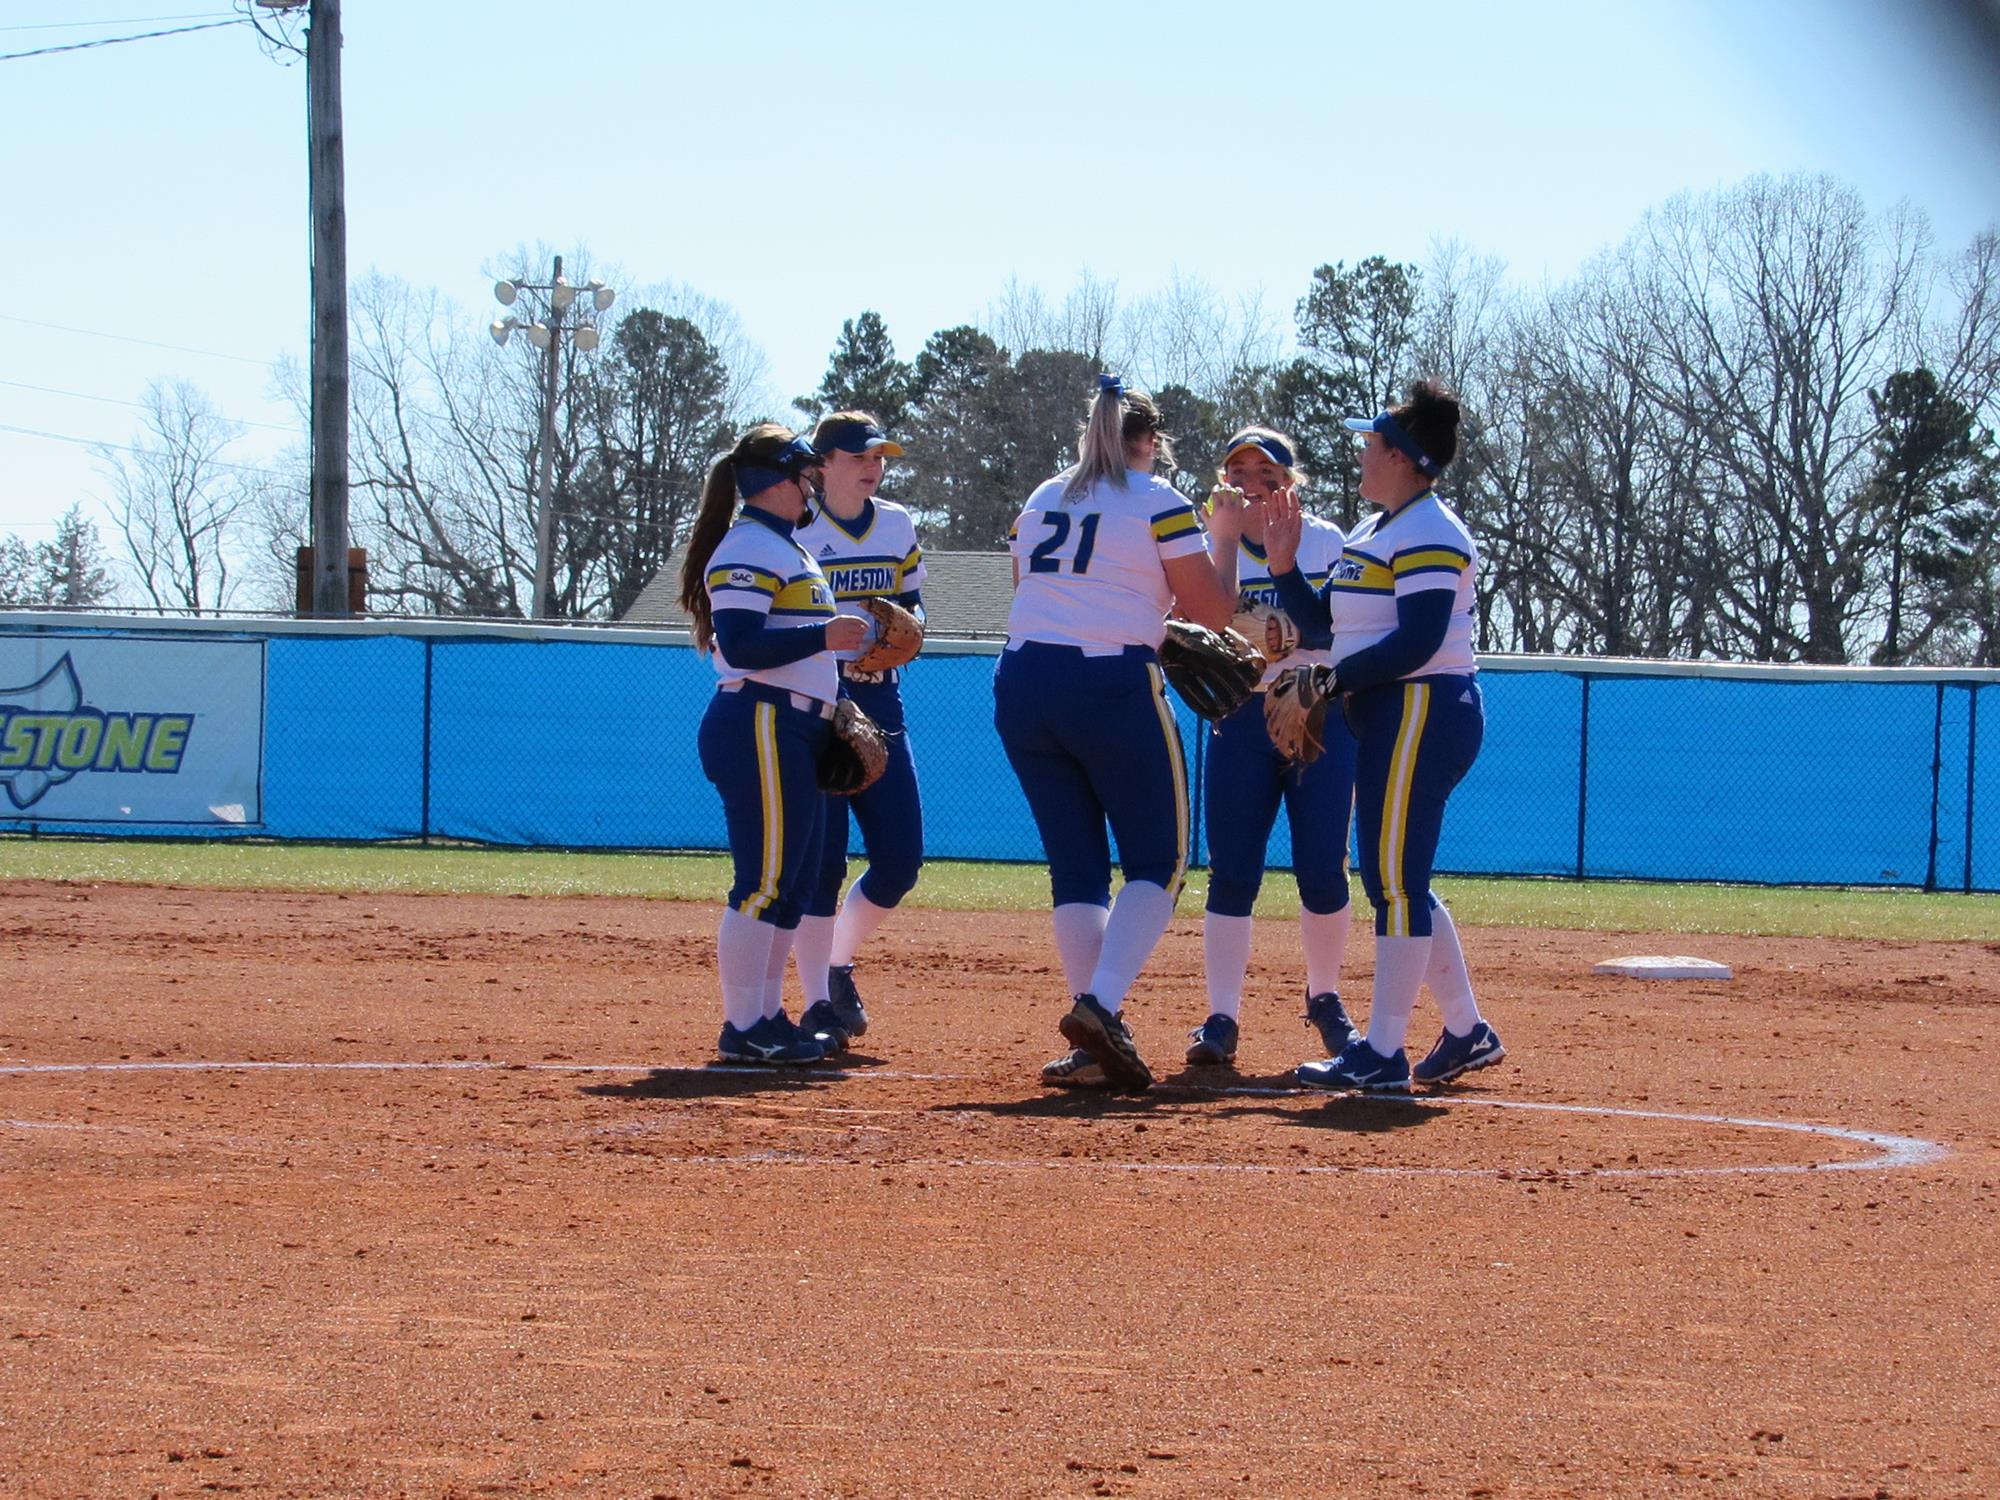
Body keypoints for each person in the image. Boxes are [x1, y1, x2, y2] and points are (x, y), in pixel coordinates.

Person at [995, 374, 1241, 1092]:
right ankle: (1098, 1007)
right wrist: (1225, 537)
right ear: (1150, 442)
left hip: (1022, 681)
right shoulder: (1157, 498)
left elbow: (1029, 588)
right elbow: (1214, 611)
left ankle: (1092, 1041)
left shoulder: (1044, 494)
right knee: (1159, 862)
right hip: (1108, 681)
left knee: (1076, 866)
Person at [1262, 380, 1505, 1092]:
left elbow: (1419, 641)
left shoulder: (1431, 529)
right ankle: (1466, 1030)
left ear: (1401, 457)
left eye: (1371, 444)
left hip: (1422, 706)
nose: (1362, 454)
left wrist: (1332, 682)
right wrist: (1282, 566)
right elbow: (1323, 625)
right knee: (1400, 879)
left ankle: (1383, 1052)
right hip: (1394, 711)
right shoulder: (1378, 529)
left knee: (1393, 883)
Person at [677, 423, 869, 1066]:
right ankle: (744, 1026)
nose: (811, 485)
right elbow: (740, 646)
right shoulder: (749, 546)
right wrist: (824, 639)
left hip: (793, 724)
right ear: (776, 481)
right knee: (763, 883)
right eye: (804, 474)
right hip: (760, 720)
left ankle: (766, 1017)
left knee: (792, 883)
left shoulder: (786, 548)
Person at [1184, 427, 1360, 1070]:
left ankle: (1325, 997)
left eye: (1267, 472)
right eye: (1239, 472)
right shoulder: (1212, 542)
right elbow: (1195, 629)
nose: (1252, 483)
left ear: (1291, 481)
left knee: (1322, 867)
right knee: (1232, 871)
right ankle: (1221, 1016)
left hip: (1317, 712)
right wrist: (1224, 546)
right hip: (1242, 716)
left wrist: (1285, 625)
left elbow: (1336, 629)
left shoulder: (1327, 541)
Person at [788, 412, 928, 1052]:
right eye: (858, 456)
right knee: (822, 864)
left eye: (878, 457)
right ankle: (817, 1001)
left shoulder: (896, 524)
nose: (873, 466)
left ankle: (836, 964)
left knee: (900, 859)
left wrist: (908, 629)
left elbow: (914, 603)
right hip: (818, 698)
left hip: (880, 699)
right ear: (822, 465)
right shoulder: (798, 527)